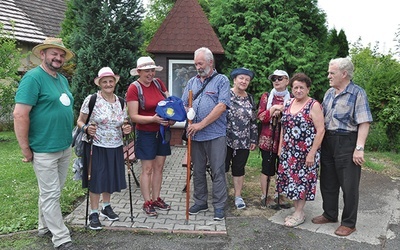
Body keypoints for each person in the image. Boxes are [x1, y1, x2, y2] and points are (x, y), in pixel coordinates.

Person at [13, 37, 75, 249]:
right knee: (51, 193)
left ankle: (43, 225)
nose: (58, 57)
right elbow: (20, 115)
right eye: (53, 53)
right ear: (42, 54)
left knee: (51, 190)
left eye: (61, 55)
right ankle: (61, 237)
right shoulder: (33, 78)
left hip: (64, 146)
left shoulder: (62, 79)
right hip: (44, 147)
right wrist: (25, 148)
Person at [312, 58, 373, 236]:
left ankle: (349, 223)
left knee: (349, 185)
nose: (328, 76)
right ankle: (330, 214)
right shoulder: (329, 93)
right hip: (328, 140)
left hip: (347, 141)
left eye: (332, 73)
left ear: (344, 74)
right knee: (327, 181)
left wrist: (359, 147)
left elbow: (364, 122)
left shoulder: (357, 93)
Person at [76, 67, 131, 230]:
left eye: (111, 81)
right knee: (96, 179)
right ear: (100, 84)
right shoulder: (92, 99)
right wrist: (86, 128)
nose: (108, 84)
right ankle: (93, 213)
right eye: (104, 81)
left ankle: (106, 207)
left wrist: (126, 128)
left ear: (115, 82)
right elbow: (80, 121)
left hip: (115, 145)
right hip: (96, 145)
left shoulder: (121, 101)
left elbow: (124, 123)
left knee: (109, 177)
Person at [181, 47, 230, 221]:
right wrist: (187, 111)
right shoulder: (191, 82)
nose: (198, 67)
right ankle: (200, 201)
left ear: (210, 62)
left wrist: (201, 124)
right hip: (195, 135)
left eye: (200, 63)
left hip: (215, 134)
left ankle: (219, 206)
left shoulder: (221, 81)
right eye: (196, 64)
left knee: (217, 171)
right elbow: (183, 103)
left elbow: (221, 106)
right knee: (198, 170)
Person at [126, 56, 175, 216]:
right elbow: (133, 116)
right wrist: (153, 119)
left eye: (152, 70)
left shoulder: (159, 84)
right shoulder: (134, 88)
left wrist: (172, 118)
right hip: (145, 133)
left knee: (159, 167)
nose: (150, 73)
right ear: (139, 72)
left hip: (161, 132)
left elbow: (170, 104)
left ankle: (156, 198)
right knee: (147, 169)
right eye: (147, 71)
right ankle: (147, 202)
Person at [276, 73, 325, 227]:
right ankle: (298, 210)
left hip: (305, 153)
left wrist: (312, 153)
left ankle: (299, 213)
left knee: (302, 183)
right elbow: (284, 126)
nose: (298, 90)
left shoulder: (313, 105)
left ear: (308, 89)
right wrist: (280, 147)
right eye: (295, 87)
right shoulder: (289, 103)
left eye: (301, 87)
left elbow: (321, 130)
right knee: (293, 181)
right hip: (289, 152)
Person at [257, 70, 291, 208]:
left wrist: (283, 110)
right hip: (268, 139)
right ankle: (265, 196)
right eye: (274, 79)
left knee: (282, 168)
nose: (276, 81)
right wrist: (273, 109)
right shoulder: (266, 97)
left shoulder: (292, 97)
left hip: (285, 140)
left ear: (287, 81)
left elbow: (294, 116)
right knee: (267, 168)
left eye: (280, 78)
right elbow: (261, 117)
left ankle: (280, 195)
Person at [225, 68, 258, 210]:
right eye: (241, 78)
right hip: (225, 139)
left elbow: (253, 121)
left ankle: (238, 196)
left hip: (244, 140)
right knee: (222, 167)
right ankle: (221, 195)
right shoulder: (225, 95)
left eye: (247, 79)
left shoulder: (250, 98)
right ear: (234, 80)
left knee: (239, 168)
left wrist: (254, 139)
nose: (244, 81)